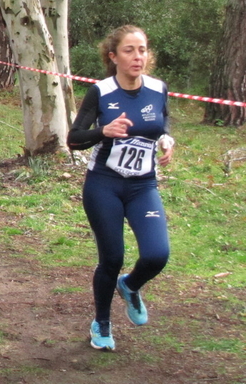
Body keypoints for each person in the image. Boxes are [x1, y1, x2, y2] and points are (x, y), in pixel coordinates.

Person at [67, 25, 174, 352]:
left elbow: (162, 122)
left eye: (142, 49)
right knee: (112, 257)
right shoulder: (101, 92)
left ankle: (130, 286)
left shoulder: (158, 88)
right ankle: (101, 322)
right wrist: (104, 131)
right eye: (129, 50)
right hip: (104, 184)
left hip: (143, 185)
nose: (138, 56)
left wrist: (167, 138)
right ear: (113, 57)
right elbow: (73, 139)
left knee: (157, 254)